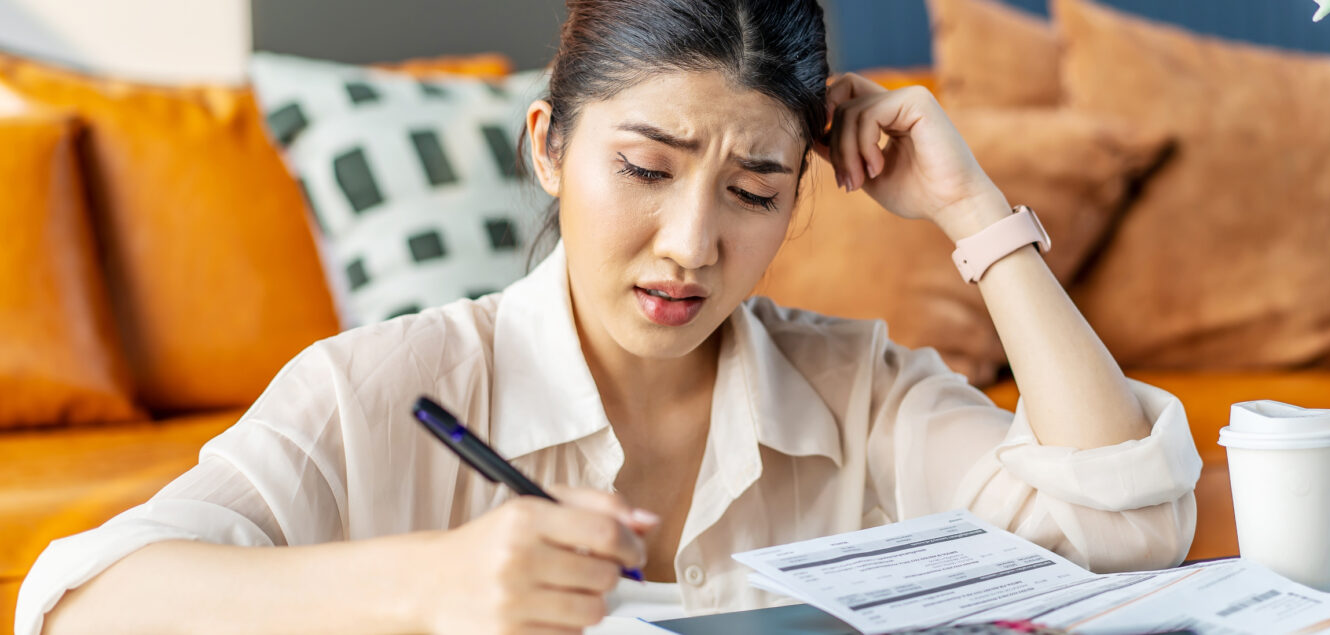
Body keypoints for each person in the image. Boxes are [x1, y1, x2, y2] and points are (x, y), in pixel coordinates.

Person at [17, 0, 1202, 633]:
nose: (692, 244)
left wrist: (973, 210)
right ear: (549, 147)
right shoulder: (385, 388)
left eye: (752, 191)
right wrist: (427, 589)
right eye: (645, 167)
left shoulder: (862, 390)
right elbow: (82, 606)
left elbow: (1127, 526)